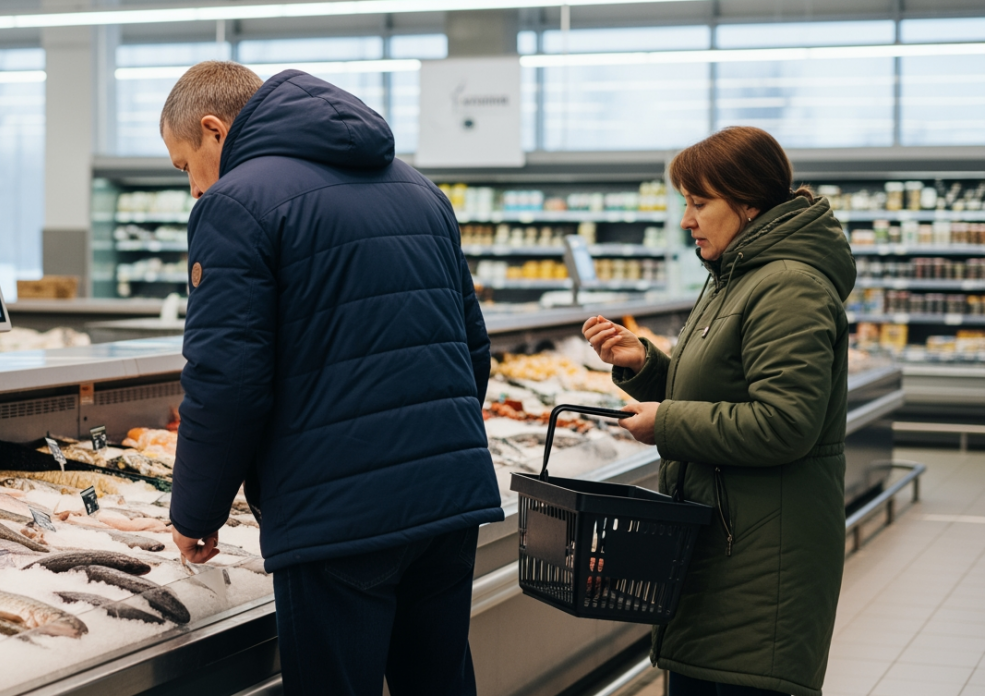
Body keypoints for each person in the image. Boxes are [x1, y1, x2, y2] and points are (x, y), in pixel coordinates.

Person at [160, 61, 503, 696]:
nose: (194, 189)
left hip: (337, 517)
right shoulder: (422, 190)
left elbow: (227, 381)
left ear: (214, 130)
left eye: (185, 166)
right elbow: (471, 348)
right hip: (448, 505)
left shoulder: (237, 203)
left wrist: (196, 511)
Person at [584, 126, 854, 696]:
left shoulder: (789, 287)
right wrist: (646, 365)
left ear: (748, 202)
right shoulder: (735, 276)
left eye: (699, 203)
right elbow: (724, 388)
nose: (687, 220)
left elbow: (785, 424)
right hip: (725, 542)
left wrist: (665, 424)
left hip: (762, 558)